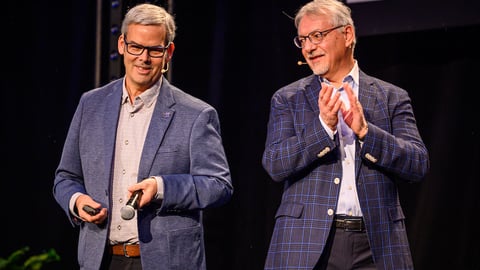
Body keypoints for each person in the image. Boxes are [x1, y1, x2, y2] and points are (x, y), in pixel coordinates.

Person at [53, 3, 233, 270]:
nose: (144, 58)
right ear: (122, 45)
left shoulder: (195, 114)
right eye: (136, 47)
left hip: (167, 262)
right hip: (101, 259)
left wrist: (161, 187)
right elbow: (66, 177)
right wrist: (77, 201)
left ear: (168, 52)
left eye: (154, 50)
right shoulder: (91, 105)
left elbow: (219, 185)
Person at [261, 0, 430, 269]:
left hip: (376, 243)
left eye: (317, 36)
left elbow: (418, 164)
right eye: (303, 39)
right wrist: (323, 128)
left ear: (347, 34)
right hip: (308, 242)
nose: (309, 47)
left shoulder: (391, 97)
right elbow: (275, 164)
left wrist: (366, 132)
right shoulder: (288, 98)